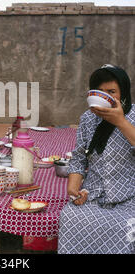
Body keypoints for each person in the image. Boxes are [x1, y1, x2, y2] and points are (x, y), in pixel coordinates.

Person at [58, 64, 135, 254]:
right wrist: (74, 189)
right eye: (99, 92)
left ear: (123, 92)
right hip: (94, 195)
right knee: (70, 218)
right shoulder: (88, 119)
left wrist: (121, 122)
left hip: (130, 197)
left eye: (111, 92)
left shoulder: (133, 116)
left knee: (124, 227)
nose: (105, 97)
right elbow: (78, 159)